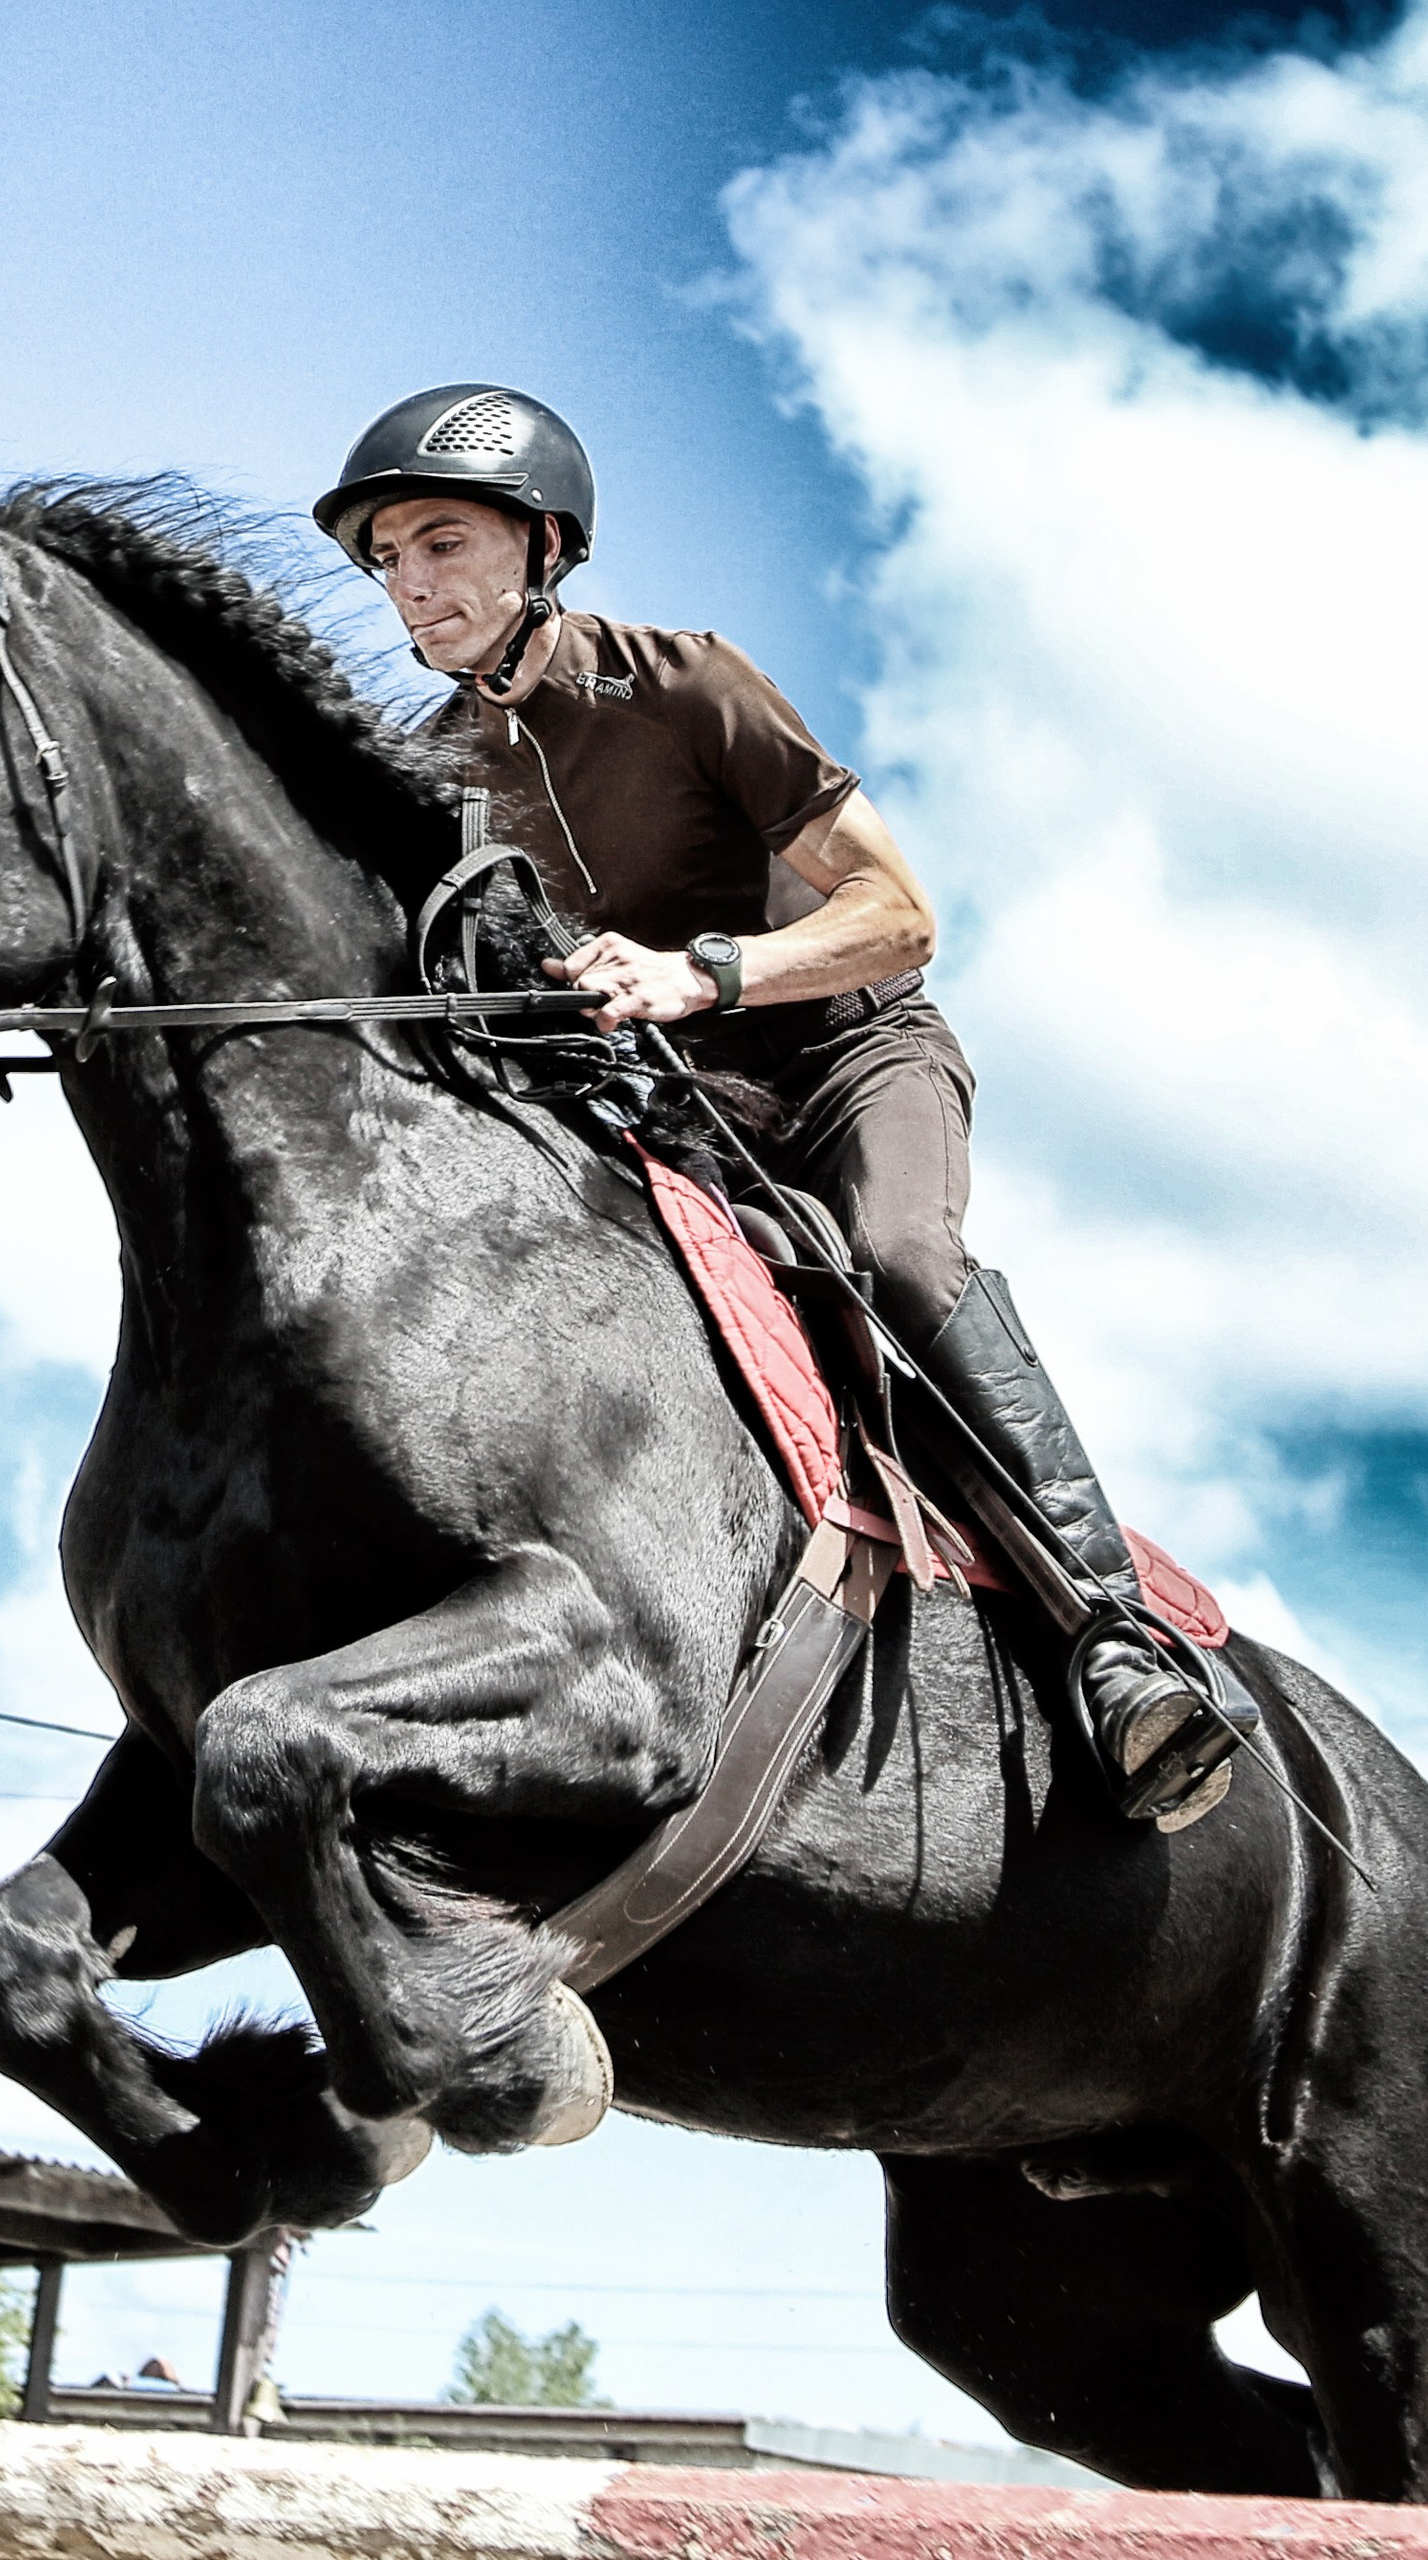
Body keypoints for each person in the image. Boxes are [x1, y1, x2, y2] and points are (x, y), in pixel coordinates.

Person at [313, 383, 1244, 1831]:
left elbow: (901, 912)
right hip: (691, 1110)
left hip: (853, 1055)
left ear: (545, 543)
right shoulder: (439, 772)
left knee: (901, 1256)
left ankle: (1116, 1641)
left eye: (440, 540)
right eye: (385, 558)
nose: (409, 582)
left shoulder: (689, 684)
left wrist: (709, 971)